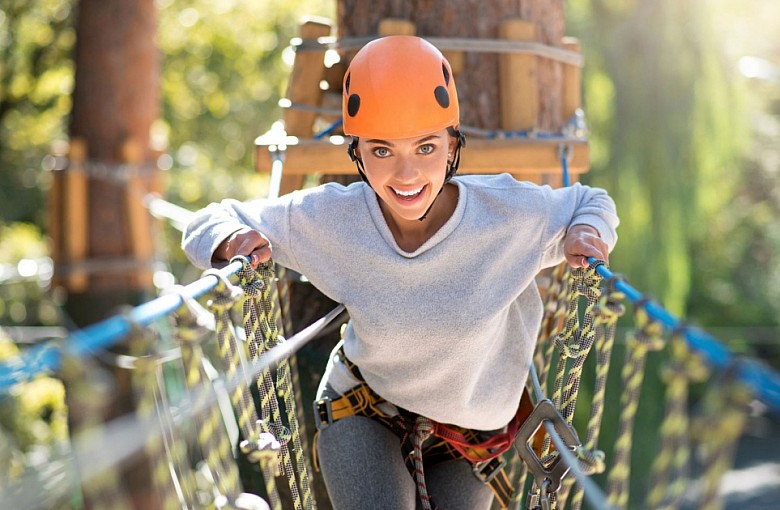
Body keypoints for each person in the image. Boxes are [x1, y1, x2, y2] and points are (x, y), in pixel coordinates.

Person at [182, 35, 618, 510]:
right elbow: (208, 220)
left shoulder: (509, 214)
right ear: (357, 153)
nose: (406, 175)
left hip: (471, 438)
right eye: (382, 151)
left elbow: (591, 202)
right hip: (365, 409)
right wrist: (232, 242)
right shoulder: (334, 219)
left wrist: (585, 233)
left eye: (426, 147)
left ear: (453, 144)